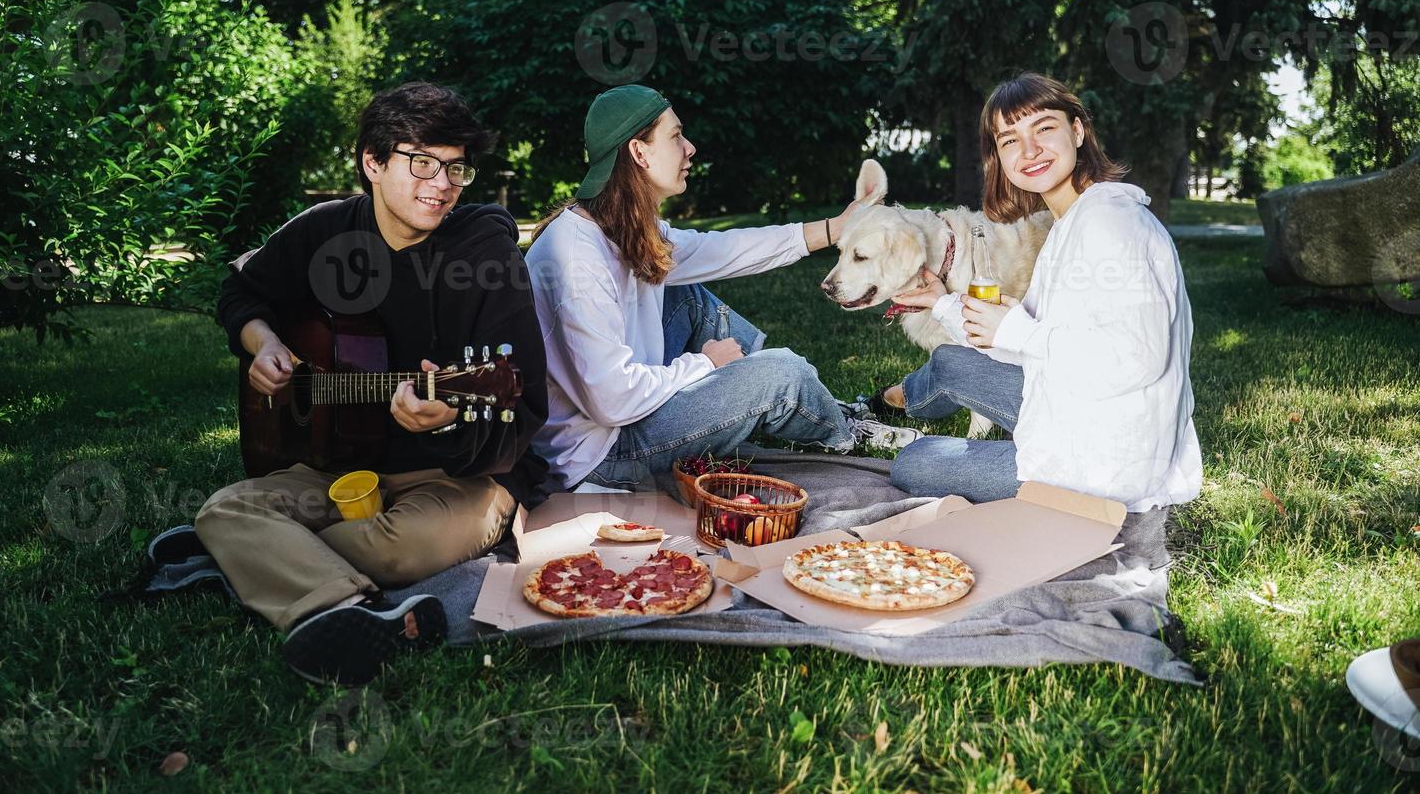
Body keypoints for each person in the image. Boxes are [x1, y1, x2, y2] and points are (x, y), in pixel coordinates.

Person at [192, 82, 548, 685]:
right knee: (224, 507)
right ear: (373, 162)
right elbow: (239, 293)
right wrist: (265, 343)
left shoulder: (485, 253)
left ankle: (272, 562)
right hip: (337, 468)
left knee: (399, 548)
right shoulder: (325, 232)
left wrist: (453, 415)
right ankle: (356, 611)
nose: (442, 184)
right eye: (422, 163)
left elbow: (523, 401)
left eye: (456, 168)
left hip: (457, 478)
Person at [525, 84, 921, 496]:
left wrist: (831, 230)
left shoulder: (619, 225)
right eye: (676, 136)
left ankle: (800, 406)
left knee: (688, 298)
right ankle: (840, 430)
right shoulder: (578, 260)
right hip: (602, 454)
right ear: (639, 153)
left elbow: (726, 249)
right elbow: (612, 401)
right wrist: (705, 365)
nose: (690, 147)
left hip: (623, 412)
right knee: (783, 373)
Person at [880, 72, 1202, 511]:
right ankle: (882, 407)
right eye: (1009, 139)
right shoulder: (1075, 221)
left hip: (1105, 464)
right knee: (951, 361)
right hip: (1081, 409)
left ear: (1077, 130)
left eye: (1044, 128)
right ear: (998, 155)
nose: (1028, 151)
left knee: (913, 463)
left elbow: (1137, 360)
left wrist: (1017, 330)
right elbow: (1031, 340)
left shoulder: (1109, 225)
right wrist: (942, 301)